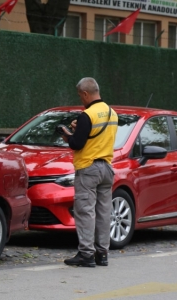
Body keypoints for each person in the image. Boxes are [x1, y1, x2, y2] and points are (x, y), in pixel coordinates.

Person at [59, 77, 118, 267]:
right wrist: (80, 130)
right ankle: (103, 253)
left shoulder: (87, 115)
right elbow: (95, 136)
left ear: (85, 93)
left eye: (80, 96)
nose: (80, 100)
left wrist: (67, 135)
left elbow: (78, 143)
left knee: (85, 211)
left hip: (88, 168)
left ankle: (86, 254)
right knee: (103, 212)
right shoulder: (112, 113)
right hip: (107, 168)